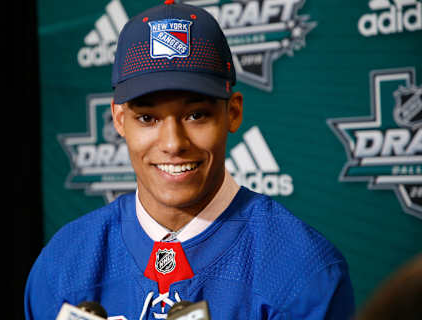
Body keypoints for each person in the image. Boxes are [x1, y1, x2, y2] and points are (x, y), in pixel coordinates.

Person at [25, 1, 355, 319]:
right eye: (147, 118)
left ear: (233, 112)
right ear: (119, 119)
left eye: (196, 115)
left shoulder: (303, 270)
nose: (173, 144)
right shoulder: (65, 262)